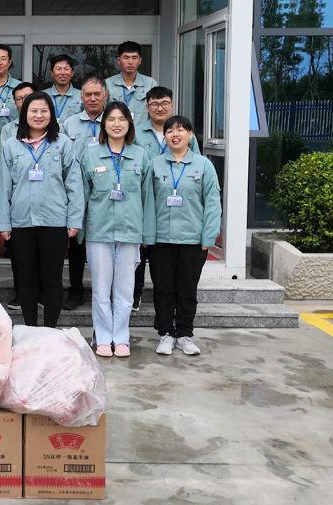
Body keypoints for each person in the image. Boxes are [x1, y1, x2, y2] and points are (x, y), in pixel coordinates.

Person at [0, 91, 83, 328]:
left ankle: (50, 331)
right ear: (24, 114)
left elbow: (74, 184)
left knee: (53, 280)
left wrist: (74, 219)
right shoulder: (11, 145)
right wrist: (3, 222)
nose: (38, 115)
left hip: (55, 222)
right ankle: (31, 330)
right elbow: (4, 186)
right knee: (27, 280)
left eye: (44, 110)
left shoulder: (63, 143)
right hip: (21, 222)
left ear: (51, 114)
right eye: (33, 110)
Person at [80, 101, 155, 358]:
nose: (116, 124)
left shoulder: (140, 156)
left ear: (129, 124)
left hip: (130, 231)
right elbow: (83, 196)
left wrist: (147, 234)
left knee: (125, 290)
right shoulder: (91, 156)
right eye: (111, 119)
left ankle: (121, 338)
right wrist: (80, 230)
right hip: (99, 232)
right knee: (101, 289)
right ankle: (102, 337)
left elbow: (147, 197)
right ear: (104, 124)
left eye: (122, 119)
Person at [149, 115, 221, 356]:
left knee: (187, 290)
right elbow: (146, 202)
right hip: (161, 239)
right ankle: (166, 334)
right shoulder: (155, 164)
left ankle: (184, 335)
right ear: (165, 136)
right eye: (170, 131)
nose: (175, 134)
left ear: (190, 135)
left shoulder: (204, 165)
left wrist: (208, 239)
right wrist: (147, 236)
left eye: (181, 130)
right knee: (163, 289)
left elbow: (213, 204)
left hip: (192, 240)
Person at [132, 86, 200, 311]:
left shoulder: (184, 132)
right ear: (147, 107)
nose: (159, 108)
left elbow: (196, 163)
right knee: (141, 249)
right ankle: (135, 293)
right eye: (154, 104)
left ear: (172, 105)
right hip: (143, 198)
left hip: (175, 204)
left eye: (164, 103)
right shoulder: (136, 133)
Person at [60, 76, 109, 310]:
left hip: (105, 192)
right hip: (76, 191)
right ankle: (76, 289)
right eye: (88, 94)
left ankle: (104, 291)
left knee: (104, 242)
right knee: (76, 243)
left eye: (97, 94)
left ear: (105, 96)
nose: (92, 98)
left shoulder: (113, 121)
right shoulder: (69, 124)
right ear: (81, 97)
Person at [0, 81, 39, 310]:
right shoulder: (8, 130)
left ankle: (41, 293)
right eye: (19, 99)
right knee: (18, 253)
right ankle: (20, 292)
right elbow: (6, 163)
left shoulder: (54, 128)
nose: (24, 102)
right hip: (18, 198)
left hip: (45, 200)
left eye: (28, 97)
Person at [105, 41, 158, 123]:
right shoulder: (108, 84)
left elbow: (156, 114)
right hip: (116, 130)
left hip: (143, 131)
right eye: (126, 58)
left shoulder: (150, 84)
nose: (130, 62)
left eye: (134, 58)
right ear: (119, 60)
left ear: (140, 60)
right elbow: (103, 113)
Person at [44, 54, 82, 124]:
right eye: (58, 69)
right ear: (52, 73)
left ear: (72, 73)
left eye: (66, 69)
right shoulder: (43, 96)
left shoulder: (82, 96)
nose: (62, 73)